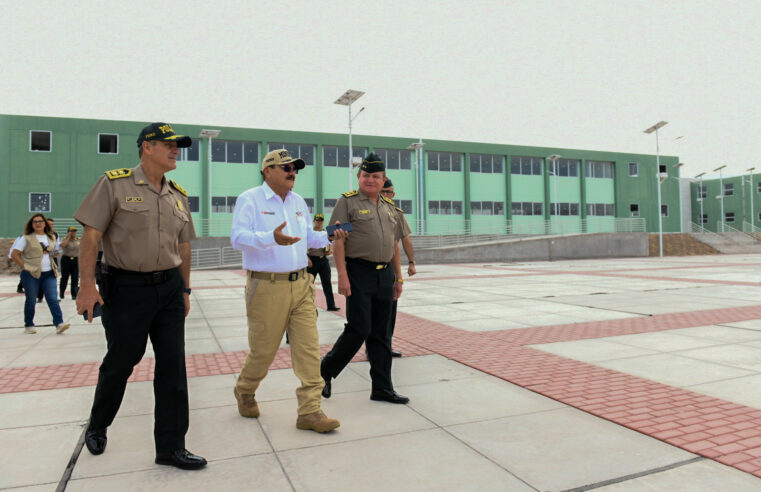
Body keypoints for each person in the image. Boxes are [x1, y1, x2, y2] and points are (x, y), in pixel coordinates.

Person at [75, 122, 206, 470]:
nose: (176, 150)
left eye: (178, 145)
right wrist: (86, 285)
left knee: (173, 368)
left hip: (169, 291)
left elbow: (184, 245)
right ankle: (98, 424)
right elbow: (91, 235)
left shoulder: (178, 194)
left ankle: (171, 447)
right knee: (122, 361)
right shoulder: (114, 183)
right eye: (169, 144)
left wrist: (186, 288)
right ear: (147, 147)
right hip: (126, 289)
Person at [230, 148, 347, 433]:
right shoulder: (250, 199)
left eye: (294, 168)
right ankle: (245, 390)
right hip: (266, 286)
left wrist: (330, 235)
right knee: (264, 351)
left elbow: (308, 236)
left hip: (302, 284)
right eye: (286, 167)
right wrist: (271, 238)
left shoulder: (297, 201)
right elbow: (238, 238)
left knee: (308, 348)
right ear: (267, 170)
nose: (292, 172)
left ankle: (310, 411)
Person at [320, 153, 409, 404]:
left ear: (383, 181)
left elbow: (394, 246)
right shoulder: (347, 203)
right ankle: (325, 371)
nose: (370, 180)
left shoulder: (391, 208)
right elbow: (338, 240)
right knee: (359, 328)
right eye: (366, 175)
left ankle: (382, 387)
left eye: (376, 176)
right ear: (359, 177)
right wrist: (342, 276)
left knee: (382, 335)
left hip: (385, 275)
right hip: (359, 272)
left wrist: (398, 279)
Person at [10, 214, 70, 335]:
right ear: (31, 224)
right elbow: (14, 254)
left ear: (45, 223)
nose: (38, 223)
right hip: (31, 274)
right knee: (31, 300)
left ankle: (59, 323)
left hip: (49, 273)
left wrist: (53, 253)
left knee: (53, 298)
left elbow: (55, 251)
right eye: (35, 222)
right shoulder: (26, 238)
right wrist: (24, 266)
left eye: (40, 221)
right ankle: (29, 325)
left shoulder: (51, 237)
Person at [380, 178, 416, 358]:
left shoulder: (396, 212)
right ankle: (375, 348)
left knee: (390, 311)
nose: (387, 195)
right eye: (383, 192)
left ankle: (386, 345)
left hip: (389, 268)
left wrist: (411, 262)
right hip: (366, 269)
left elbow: (404, 239)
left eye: (390, 192)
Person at [307, 213, 340, 312]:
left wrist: (330, 251)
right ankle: (307, 306)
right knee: (308, 285)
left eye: (321, 220)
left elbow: (331, 246)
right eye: (317, 220)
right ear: (314, 221)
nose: (319, 222)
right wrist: (307, 258)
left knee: (327, 284)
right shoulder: (310, 233)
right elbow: (303, 247)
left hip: (323, 260)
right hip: (312, 260)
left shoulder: (326, 233)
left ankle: (331, 305)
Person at [60, 226, 80, 300]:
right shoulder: (64, 239)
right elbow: (64, 245)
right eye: (72, 231)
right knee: (65, 278)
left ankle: (74, 294)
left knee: (75, 278)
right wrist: (68, 237)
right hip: (66, 259)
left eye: (74, 231)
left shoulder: (78, 240)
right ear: (68, 232)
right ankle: (62, 292)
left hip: (75, 260)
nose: (73, 233)